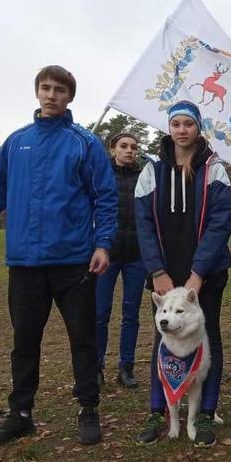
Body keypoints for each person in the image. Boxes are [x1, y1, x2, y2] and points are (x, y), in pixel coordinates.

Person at [0, 65, 117, 447]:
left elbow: (106, 198)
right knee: (24, 342)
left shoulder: (84, 144)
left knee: (83, 340)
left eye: (59, 90)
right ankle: (21, 413)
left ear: (70, 97)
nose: (51, 95)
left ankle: (88, 409)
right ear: (36, 92)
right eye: (45, 88)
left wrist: (103, 244)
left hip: (74, 262)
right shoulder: (15, 143)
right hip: (25, 264)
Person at [134, 100, 231, 447]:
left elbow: (221, 223)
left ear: (197, 127)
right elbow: (143, 224)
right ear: (168, 128)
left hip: (205, 275)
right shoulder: (151, 170)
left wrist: (199, 273)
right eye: (175, 123)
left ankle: (205, 412)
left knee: (209, 339)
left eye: (188, 124)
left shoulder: (213, 168)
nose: (181, 130)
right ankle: (158, 410)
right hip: (164, 273)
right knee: (163, 339)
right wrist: (156, 271)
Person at [95, 131, 146, 389]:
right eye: (124, 146)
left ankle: (126, 367)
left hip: (136, 256)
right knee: (100, 313)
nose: (129, 150)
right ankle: (96, 367)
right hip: (107, 255)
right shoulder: (101, 177)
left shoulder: (144, 178)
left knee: (131, 314)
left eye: (134, 147)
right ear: (112, 149)